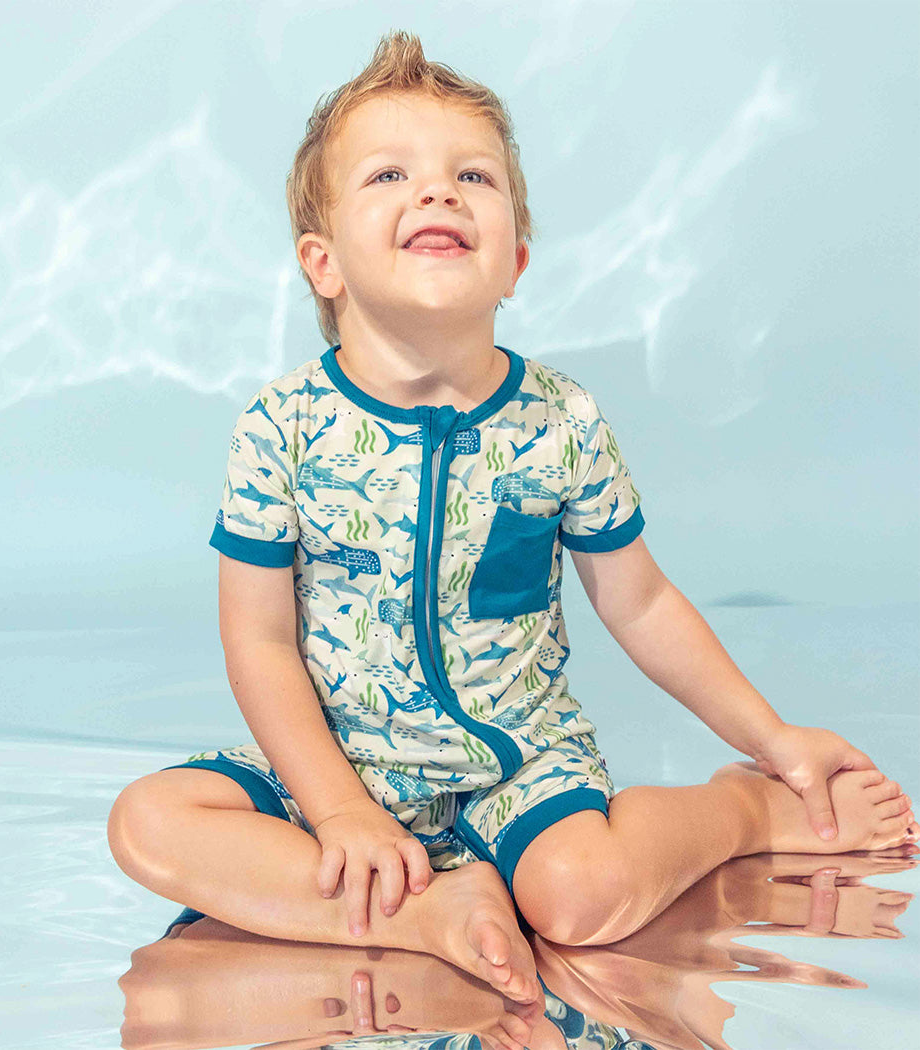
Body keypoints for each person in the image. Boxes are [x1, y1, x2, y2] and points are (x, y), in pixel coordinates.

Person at [107, 30, 917, 1018]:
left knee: (581, 897)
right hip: (337, 758)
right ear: (321, 263)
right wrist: (338, 809)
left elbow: (645, 603)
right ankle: (424, 914)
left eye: (473, 176)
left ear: (515, 261)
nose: (439, 193)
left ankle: (740, 809)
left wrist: (774, 740)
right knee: (148, 824)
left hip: (516, 761)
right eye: (391, 174)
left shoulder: (562, 423)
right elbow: (259, 640)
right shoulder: (281, 429)